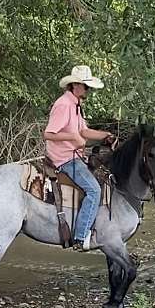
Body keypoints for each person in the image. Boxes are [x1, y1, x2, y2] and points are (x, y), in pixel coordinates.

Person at [44, 64, 114, 250]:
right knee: (94, 191)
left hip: (74, 155)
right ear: (75, 85)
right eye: (86, 86)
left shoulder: (76, 105)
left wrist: (105, 135)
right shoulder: (63, 105)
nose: (88, 90)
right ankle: (81, 237)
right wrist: (73, 138)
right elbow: (49, 134)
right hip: (65, 158)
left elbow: (83, 131)